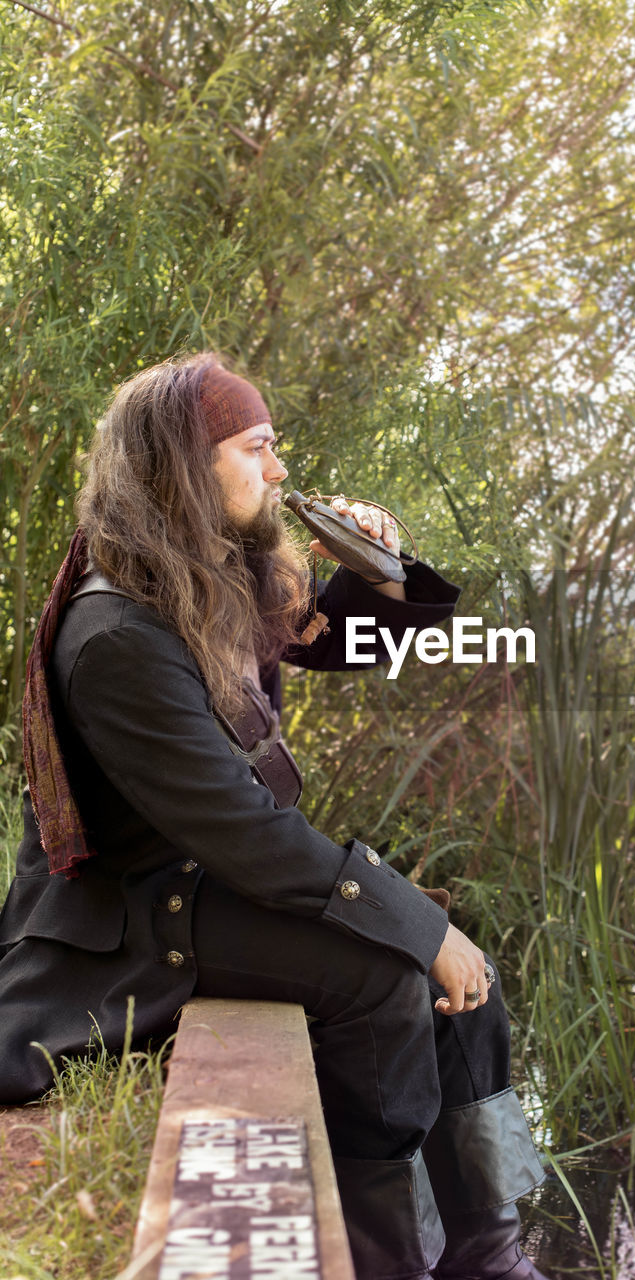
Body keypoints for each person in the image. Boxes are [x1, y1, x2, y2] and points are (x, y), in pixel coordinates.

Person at [0, 352, 548, 1280]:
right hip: (129, 917)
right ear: (184, 463)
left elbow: (347, 647)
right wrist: (413, 926)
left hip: (202, 881)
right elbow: (249, 836)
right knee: (384, 972)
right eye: (257, 448)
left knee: (469, 975)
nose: (280, 469)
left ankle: (491, 1249)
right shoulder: (119, 634)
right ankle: (388, 1259)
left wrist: (378, 570)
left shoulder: (206, 579)